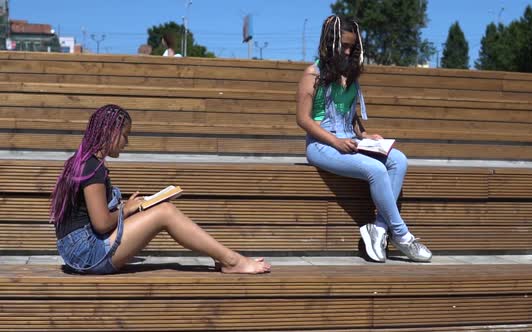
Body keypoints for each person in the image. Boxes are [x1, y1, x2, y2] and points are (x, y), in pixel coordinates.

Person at [50, 104, 271, 274]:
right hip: (87, 254)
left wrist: (132, 208)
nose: (127, 142)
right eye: (125, 135)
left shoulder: (83, 162)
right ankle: (232, 261)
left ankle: (222, 257)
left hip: (78, 250)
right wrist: (127, 209)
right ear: (111, 132)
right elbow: (101, 224)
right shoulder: (92, 167)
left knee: (160, 209)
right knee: (165, 212)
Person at [295, 15, 432, 263]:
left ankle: (378, 228)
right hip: (321, 144)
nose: (347, 52)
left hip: (350, 139)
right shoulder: (312, 74)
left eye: (352, 47)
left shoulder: (350, 74)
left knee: (399, 160)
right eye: (343, 46)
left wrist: (365, 135)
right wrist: (335, 142)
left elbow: (351, 116)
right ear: (330, 43)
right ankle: (401, 235)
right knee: (376, 169)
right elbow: (303, 119)